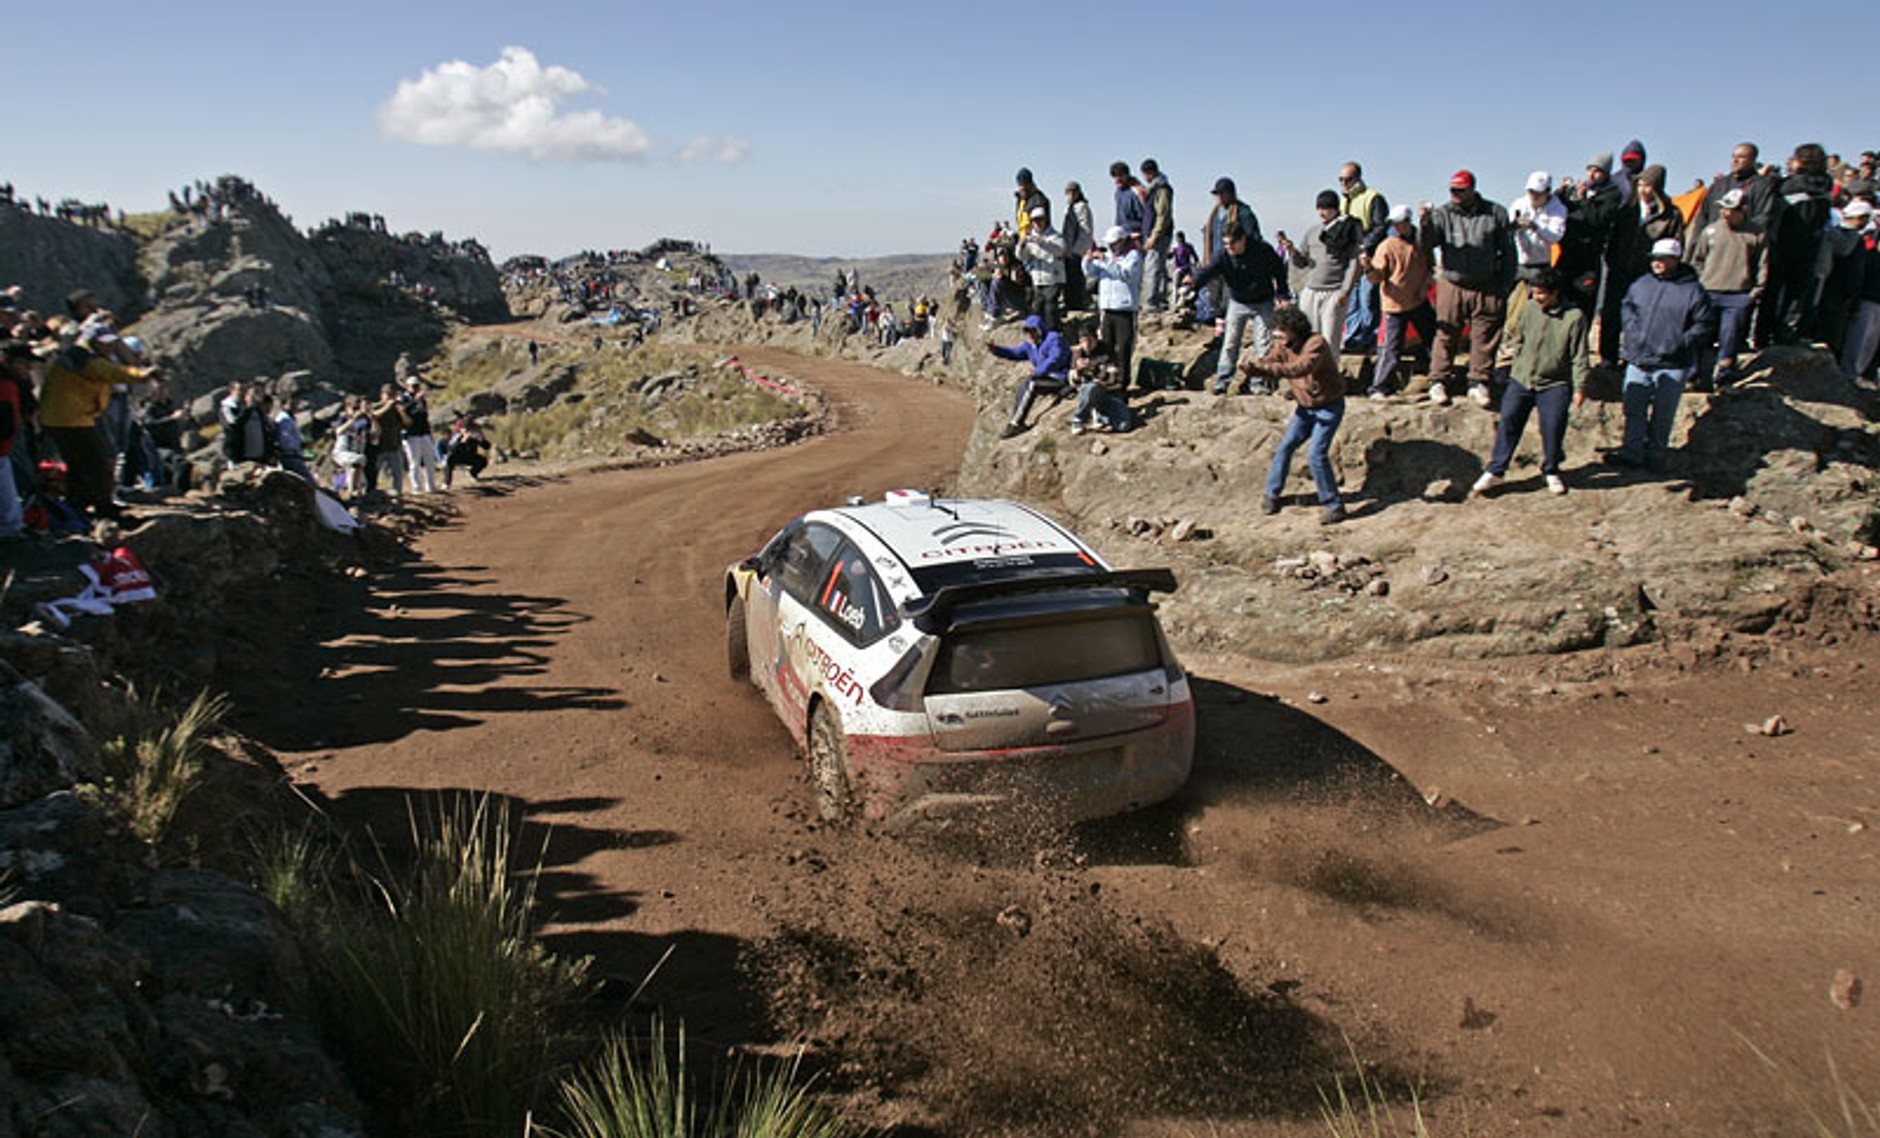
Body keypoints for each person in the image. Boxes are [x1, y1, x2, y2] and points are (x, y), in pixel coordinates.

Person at [1471, 268, 1588, 497]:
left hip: (1555, 383)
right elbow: (1519, 338)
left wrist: (1580, 386)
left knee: (1553, 427)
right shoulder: (1529, 309)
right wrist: (1514, 364)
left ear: (1555, 293)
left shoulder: (1574, 318)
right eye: (1534, 292)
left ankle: (1551, 469)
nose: (1536, 297)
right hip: (1522, 379)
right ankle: (1496, 470)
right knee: (1508, 421)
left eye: (1542, 293)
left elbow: (1580, 356)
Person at [1607, 239, 1715, 471]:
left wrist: (1680, 343)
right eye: (1654, 258)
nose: (1656, 263)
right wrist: (1632, 332)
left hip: (1673, 363)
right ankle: (1632, 452)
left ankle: (1656, 456)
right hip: (1639, 359)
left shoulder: (1694, 291)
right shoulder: (1641, 284)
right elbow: (1627, 307)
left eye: (1662, 259)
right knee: (1633, 409)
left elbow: (1704, 324)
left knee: (1663, 413)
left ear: (1675, 260)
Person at [38, 322, 156, 520]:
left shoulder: (79, 356)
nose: (109, 347)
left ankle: (78, 504)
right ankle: (104, 507)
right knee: (98, 463)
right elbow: (111, 372)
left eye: (110, 343)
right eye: (104, 343)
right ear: (91, 341)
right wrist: (143, 374)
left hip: (64, 418)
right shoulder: (83, 358)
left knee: (78, 464)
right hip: (71, 419)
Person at [1420, 170, 1516, 408]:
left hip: (1487, 284)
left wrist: (1505, 285)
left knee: (1485, 335)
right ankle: (1439, 380)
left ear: (1472, 189)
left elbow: (1508, 251)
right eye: (1452, 190)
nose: (1455, 195)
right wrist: (1425, 223)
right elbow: (1426, 245)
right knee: (1446, 333)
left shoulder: (1495, 213)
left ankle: (1479, 381)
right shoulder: (1442, 213)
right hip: (1452, 282)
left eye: (1460, 190)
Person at [1247, 306, 1348, 525]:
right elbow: (1271, 360)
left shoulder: (1316, 344)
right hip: (1305, 408)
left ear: (1295, 329)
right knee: (1285, 447)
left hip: (1328, 407)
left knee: (1316, 455)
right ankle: (1272, 494)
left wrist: (1268, 369)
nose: (1277, 335)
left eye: (1282, 330)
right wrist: (1255, 367)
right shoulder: (1282, 345)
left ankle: (1334, 505)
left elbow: (1300, 368)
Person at [1604, 164, 1685, 367]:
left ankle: (1635, 356)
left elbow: (1675, 244)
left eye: (1648, 185)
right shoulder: (1627, 210)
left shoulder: (1670, 214)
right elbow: (1614, 238)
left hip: (1647, 274)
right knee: (1612, 313)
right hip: (1620, 268)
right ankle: (1608, 357)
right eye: (1640, 184)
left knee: (1641, 317)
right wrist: (1612, 260)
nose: (1643, 190)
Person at [1194, 225, 1291, 395]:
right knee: (1230, 342)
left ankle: (1259, 383)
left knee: (1263, 343)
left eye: (1232, 243)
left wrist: (1282, 293)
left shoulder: (1262, 250)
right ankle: (1223, 381)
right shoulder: (1223, 255)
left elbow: (1279, 270)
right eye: (1225, 244)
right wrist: (1193, 283)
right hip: (1238, 301)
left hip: (1263, 300)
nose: (1229, 247)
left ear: (1243, 240)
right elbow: (1208, 272)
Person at [1689, 187, 1769, 390]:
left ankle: (1723, 375)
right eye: (1723, 208)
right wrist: (1698, 284)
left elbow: (1763, 264)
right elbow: (1698, 259)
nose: (1725, 213)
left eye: (1731, 210)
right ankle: (1692, 376)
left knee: (1730, 337)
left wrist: (1755, 291)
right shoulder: (1711, 231)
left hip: (1738, 294)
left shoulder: (1756, 234)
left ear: (1743, 210)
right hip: (1708, 291)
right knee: (1699, 335)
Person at [1280, 191, 1362, 358]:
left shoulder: (1347, 231)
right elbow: (1302, 262)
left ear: (1335, 209)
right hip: (1311, 291)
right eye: (1319, 208)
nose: (1322, 212)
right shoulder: (1312, 232)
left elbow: (1354, 262)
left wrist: (1345, 291)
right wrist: (1291, 250)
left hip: (1334, 291)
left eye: (1326, 208)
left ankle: (1330, 373)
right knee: (1309, 339)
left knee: (1330, 341)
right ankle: (1311, 372)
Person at [1366, 205, 1436, 399]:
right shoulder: (1387, 245)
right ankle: (1379, 387)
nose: (1396, 227)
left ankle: (1435, 377)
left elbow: (1430, 265)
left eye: (1399, 223)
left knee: (1433, 339)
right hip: (1394, 304)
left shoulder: (1421, 241)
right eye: (1393, 224)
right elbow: (1377, 276)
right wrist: (1369, 269)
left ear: (1407, 222)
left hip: (1418, 300)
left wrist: (1425, 285)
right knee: (1391, 348)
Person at [987, 314, 1071, 439]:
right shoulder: (1030, 345)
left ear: (1039, 330)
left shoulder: (1054, 339)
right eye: (1027, 332)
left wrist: (1037, 372)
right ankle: (1016, 418)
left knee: (1032, 385)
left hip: (1060, 378)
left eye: (1032, 331)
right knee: (1024, 385)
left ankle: (1016, 424)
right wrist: (996, 350)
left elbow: (1055, 360)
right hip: (1046, 378)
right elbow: (1015, 353)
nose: (1030, 335)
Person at [1084, 225, 1144, 394]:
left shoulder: (1133, 256)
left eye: (1114, 243)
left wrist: (1105, 261)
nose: (1111, 247)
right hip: (1107, 309)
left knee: (1123, 348)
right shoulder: (1107, 257)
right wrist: (1088, 260)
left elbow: (1126, 274)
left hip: (1125, 310)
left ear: (1122, 241)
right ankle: (1106, 379)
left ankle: (1123, 383)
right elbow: (1091, 272)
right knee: (1106, 347)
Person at [1337, 162, 1390, 354]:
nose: (1344, 183)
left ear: (1358, 178)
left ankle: (1370, 338)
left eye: (1348, 179)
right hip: (1349, 258)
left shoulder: (1373, 198)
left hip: (1369, 257)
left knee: (1368, 300)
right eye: (1341, 179)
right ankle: (1353, 338)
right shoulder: (1342, 202)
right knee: (1351, 300)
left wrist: (1364, 246)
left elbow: (1380, 226)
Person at [0, 341, 38, 539]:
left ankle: (15, 526)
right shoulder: (4, 383)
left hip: (7, 447)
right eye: (23, 363)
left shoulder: (15, 382)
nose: (29, 368)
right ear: (7, 361)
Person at [1067, 322, 1131, 435]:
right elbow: (1073, 382)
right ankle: (1079, 419)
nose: (1087, 345)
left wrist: (1095, 370)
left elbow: (1113, 378)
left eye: (1089, 340)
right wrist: (1078, 371)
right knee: (1092, 387)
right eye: (1083, 341)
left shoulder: (1107, 350)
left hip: (1109, 392)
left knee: (1124, 426)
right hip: (1088, 392)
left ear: (1096, 339)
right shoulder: (1078, 353)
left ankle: (1101, 415)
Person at [1019, 206, 1066, 331]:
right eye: (1035, 220)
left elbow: (1060, 251)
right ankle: (1040, 334)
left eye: (1040, 220)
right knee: (1037, 308)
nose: (1038, 223)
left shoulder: (1055, 236)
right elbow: (1023, 257)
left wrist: (1041, 242)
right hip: (1038, 279)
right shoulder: (1030, 238)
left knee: (1050, 308)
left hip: (1053, 278)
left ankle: (1054, 333)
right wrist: (1021, 246)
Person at [1138, 158, 1175, 311]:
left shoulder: (1162, 189)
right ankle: (1158, 300)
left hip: (1159, 235)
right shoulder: (1154, 189)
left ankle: (1151, 302)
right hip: (1154, 232)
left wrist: (1154, 235)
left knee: (1152, 268)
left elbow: (1163, 215)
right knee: (1157, 267)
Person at [400, 376, 440, 493]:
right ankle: (416, 487)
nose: (415, 388)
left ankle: (430, 486)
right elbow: (403, 410)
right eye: (413, 386)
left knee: (429, 461)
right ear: (407, 387)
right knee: (414, 462)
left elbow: (424, 415)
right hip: (411, 434)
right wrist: (414, 401)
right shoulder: (404, 398)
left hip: (424, 432)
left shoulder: (422, 400)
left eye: (417, 386)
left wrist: (429, 433)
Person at [370, 382, 409, 499]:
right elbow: (373, 415)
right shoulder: (376, 406)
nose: (391, 397)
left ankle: (397, 496)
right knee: (374, 474)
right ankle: (372, 495)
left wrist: (402, 412)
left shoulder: (396, 409)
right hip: (379, 448)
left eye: (392, 395)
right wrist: (387, 406)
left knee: (397, 475)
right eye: (388, 394)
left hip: (394, 446)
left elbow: (407, 423)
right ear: (382, 395)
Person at [1062, 182, 1096, 311]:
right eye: (1068, 192)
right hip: (1067, 248)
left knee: (1076, 276)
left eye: (1073, 192)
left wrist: (1077, 250)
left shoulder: (1082, 208)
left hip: (1075, 249)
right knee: (1068, 277)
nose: (1071, 195)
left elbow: (1086, 231)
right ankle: (1070, 302)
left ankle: (1078, 302)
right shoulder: (1069, 208)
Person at [443, 417, 490, 487]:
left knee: (483, 460)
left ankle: (472, 473)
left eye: (471, 429)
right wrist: (462, 441)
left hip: (470, 456)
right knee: (449, 459)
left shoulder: (475, 436)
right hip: (458, 457)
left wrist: (481, 440)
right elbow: (450, 448)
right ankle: (446, 482)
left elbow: (487, 447)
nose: (469, 431)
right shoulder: (457, 436)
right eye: (467, 429)